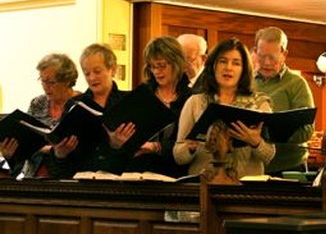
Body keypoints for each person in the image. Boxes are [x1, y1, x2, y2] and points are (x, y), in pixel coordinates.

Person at [173, 38, 275, 179]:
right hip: (203, 186)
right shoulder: (194, 102)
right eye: (223, 61)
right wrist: (190, 147)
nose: (228, 67)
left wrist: (255, 142)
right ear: (213, 66)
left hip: (246, 190)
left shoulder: (260, 104)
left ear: (244, 69)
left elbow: (269, 155)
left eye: (236, 63)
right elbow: (178, 156)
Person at [49, 43, 135, 178]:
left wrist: (116, 146)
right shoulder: (75, 104)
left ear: (113, 69)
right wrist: (60, 153)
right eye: (87, 73)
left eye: (97, 71)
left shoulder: (128, 101)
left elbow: (137, 150)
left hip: (119, 180)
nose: (91, 78)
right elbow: (59, 159)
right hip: (80, 180)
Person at [0, 53, 81, 177]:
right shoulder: (37, 103)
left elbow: (83, 150)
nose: (45, 87)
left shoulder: (80, 105)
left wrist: (42, 148)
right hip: (30, 178)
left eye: (51, 82)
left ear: (67, 81)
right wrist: (9, 154)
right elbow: (23, 143)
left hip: (67, 180)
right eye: (43, 80)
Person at [252, 26, 315, 177]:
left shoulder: (296, 83)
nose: (266, 62)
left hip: (289, 167)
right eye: (261, 56)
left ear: (284, 54)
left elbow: (307, 130)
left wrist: (272, 132)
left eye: (272, 57)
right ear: (255, 52)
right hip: (254, 166)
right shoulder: (247, 82)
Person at [126, 36, 192, 177]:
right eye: (152, 66)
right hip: (138, 171)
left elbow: (191, 143)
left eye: (161, 66)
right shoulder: (142, 94)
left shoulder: (191, 98)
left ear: (177, 63)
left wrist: (157, 147)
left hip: (174, 174)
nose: (156, 71)